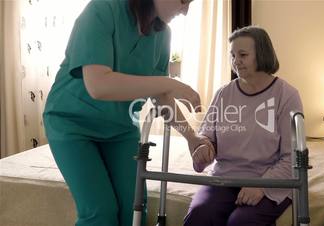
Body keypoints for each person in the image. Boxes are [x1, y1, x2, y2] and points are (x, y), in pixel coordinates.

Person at [42, 0, 213, 226]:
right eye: (183, 0)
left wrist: (192, 138)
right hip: (72, 124)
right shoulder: (103, 10)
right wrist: (167, 83)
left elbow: (161, 97)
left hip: (119, 128)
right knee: (101, 213)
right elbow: (98, 85)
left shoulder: (163, 35)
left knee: (135, 211)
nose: (185, 10)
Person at [184, 26, 303, 226]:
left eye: (243, 54)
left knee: (241, 221)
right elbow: (207, 137)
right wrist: (203, 149)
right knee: (199, 214)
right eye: (232, 55)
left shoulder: (286, 95)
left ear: (262, 54)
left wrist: (262, 187)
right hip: (224, 178)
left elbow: (291, 157)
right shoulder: (224, 93)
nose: (235, 61)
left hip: (268, 180)